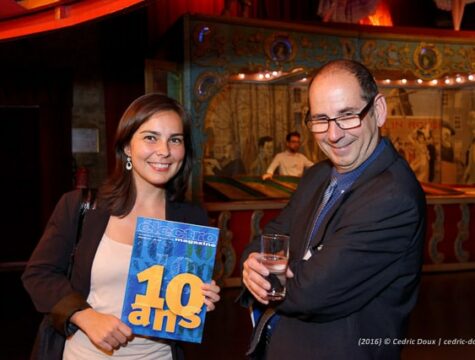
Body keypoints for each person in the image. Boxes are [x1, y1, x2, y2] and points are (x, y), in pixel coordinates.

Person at [240, 59, 426, 359]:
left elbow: (312, 291)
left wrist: (262, 275)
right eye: (321, 119)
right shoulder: (317, 175)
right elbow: (270, 237)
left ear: (378, 111)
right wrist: (252, 262)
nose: (333, 134)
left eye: (347, 116)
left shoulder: (393, 197)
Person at [22, 93, 221, 359]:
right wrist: (83, 315)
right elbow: (38, 274)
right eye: (150, 137)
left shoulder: (191, 220)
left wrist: (199, 298)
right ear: (127, 146)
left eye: (175, 139)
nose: (164, 150)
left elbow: (179, 303)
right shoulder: (81, 207)